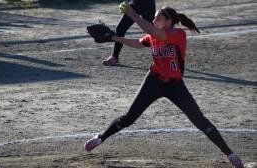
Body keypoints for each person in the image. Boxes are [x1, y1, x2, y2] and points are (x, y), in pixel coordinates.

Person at [84, 5, 244, 168]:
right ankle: (100, 138)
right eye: (154, 18)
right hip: (153, 80)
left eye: (158, 18)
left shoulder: (177, 35)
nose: (154, 21)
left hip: (175, 86)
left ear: (168, 22)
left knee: (199, 120)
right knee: (129, 117)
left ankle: (229, 153)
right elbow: (139, 43)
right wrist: (114, 38)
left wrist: (132, 14)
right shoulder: (154, 35)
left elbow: (153, 32)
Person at [102, 0, 156, 66]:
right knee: (120, 28)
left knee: (152, 31)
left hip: (148, 4)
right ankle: (114, 57)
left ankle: (161, 57)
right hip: (134, 4)